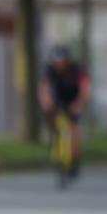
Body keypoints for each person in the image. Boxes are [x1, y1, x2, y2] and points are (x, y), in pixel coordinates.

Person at [38, 46, 91, 176]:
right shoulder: (49, 71)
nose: (59, 66)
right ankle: (52, 138)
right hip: (57, 100)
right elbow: (44, 89)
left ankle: (75, 160)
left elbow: (85, 89)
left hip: (73, 99)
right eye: (57, 63)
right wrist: (47, 103)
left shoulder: (76, 70)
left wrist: (78, 104)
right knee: (50, 116)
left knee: (73, 129)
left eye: (62, 62)